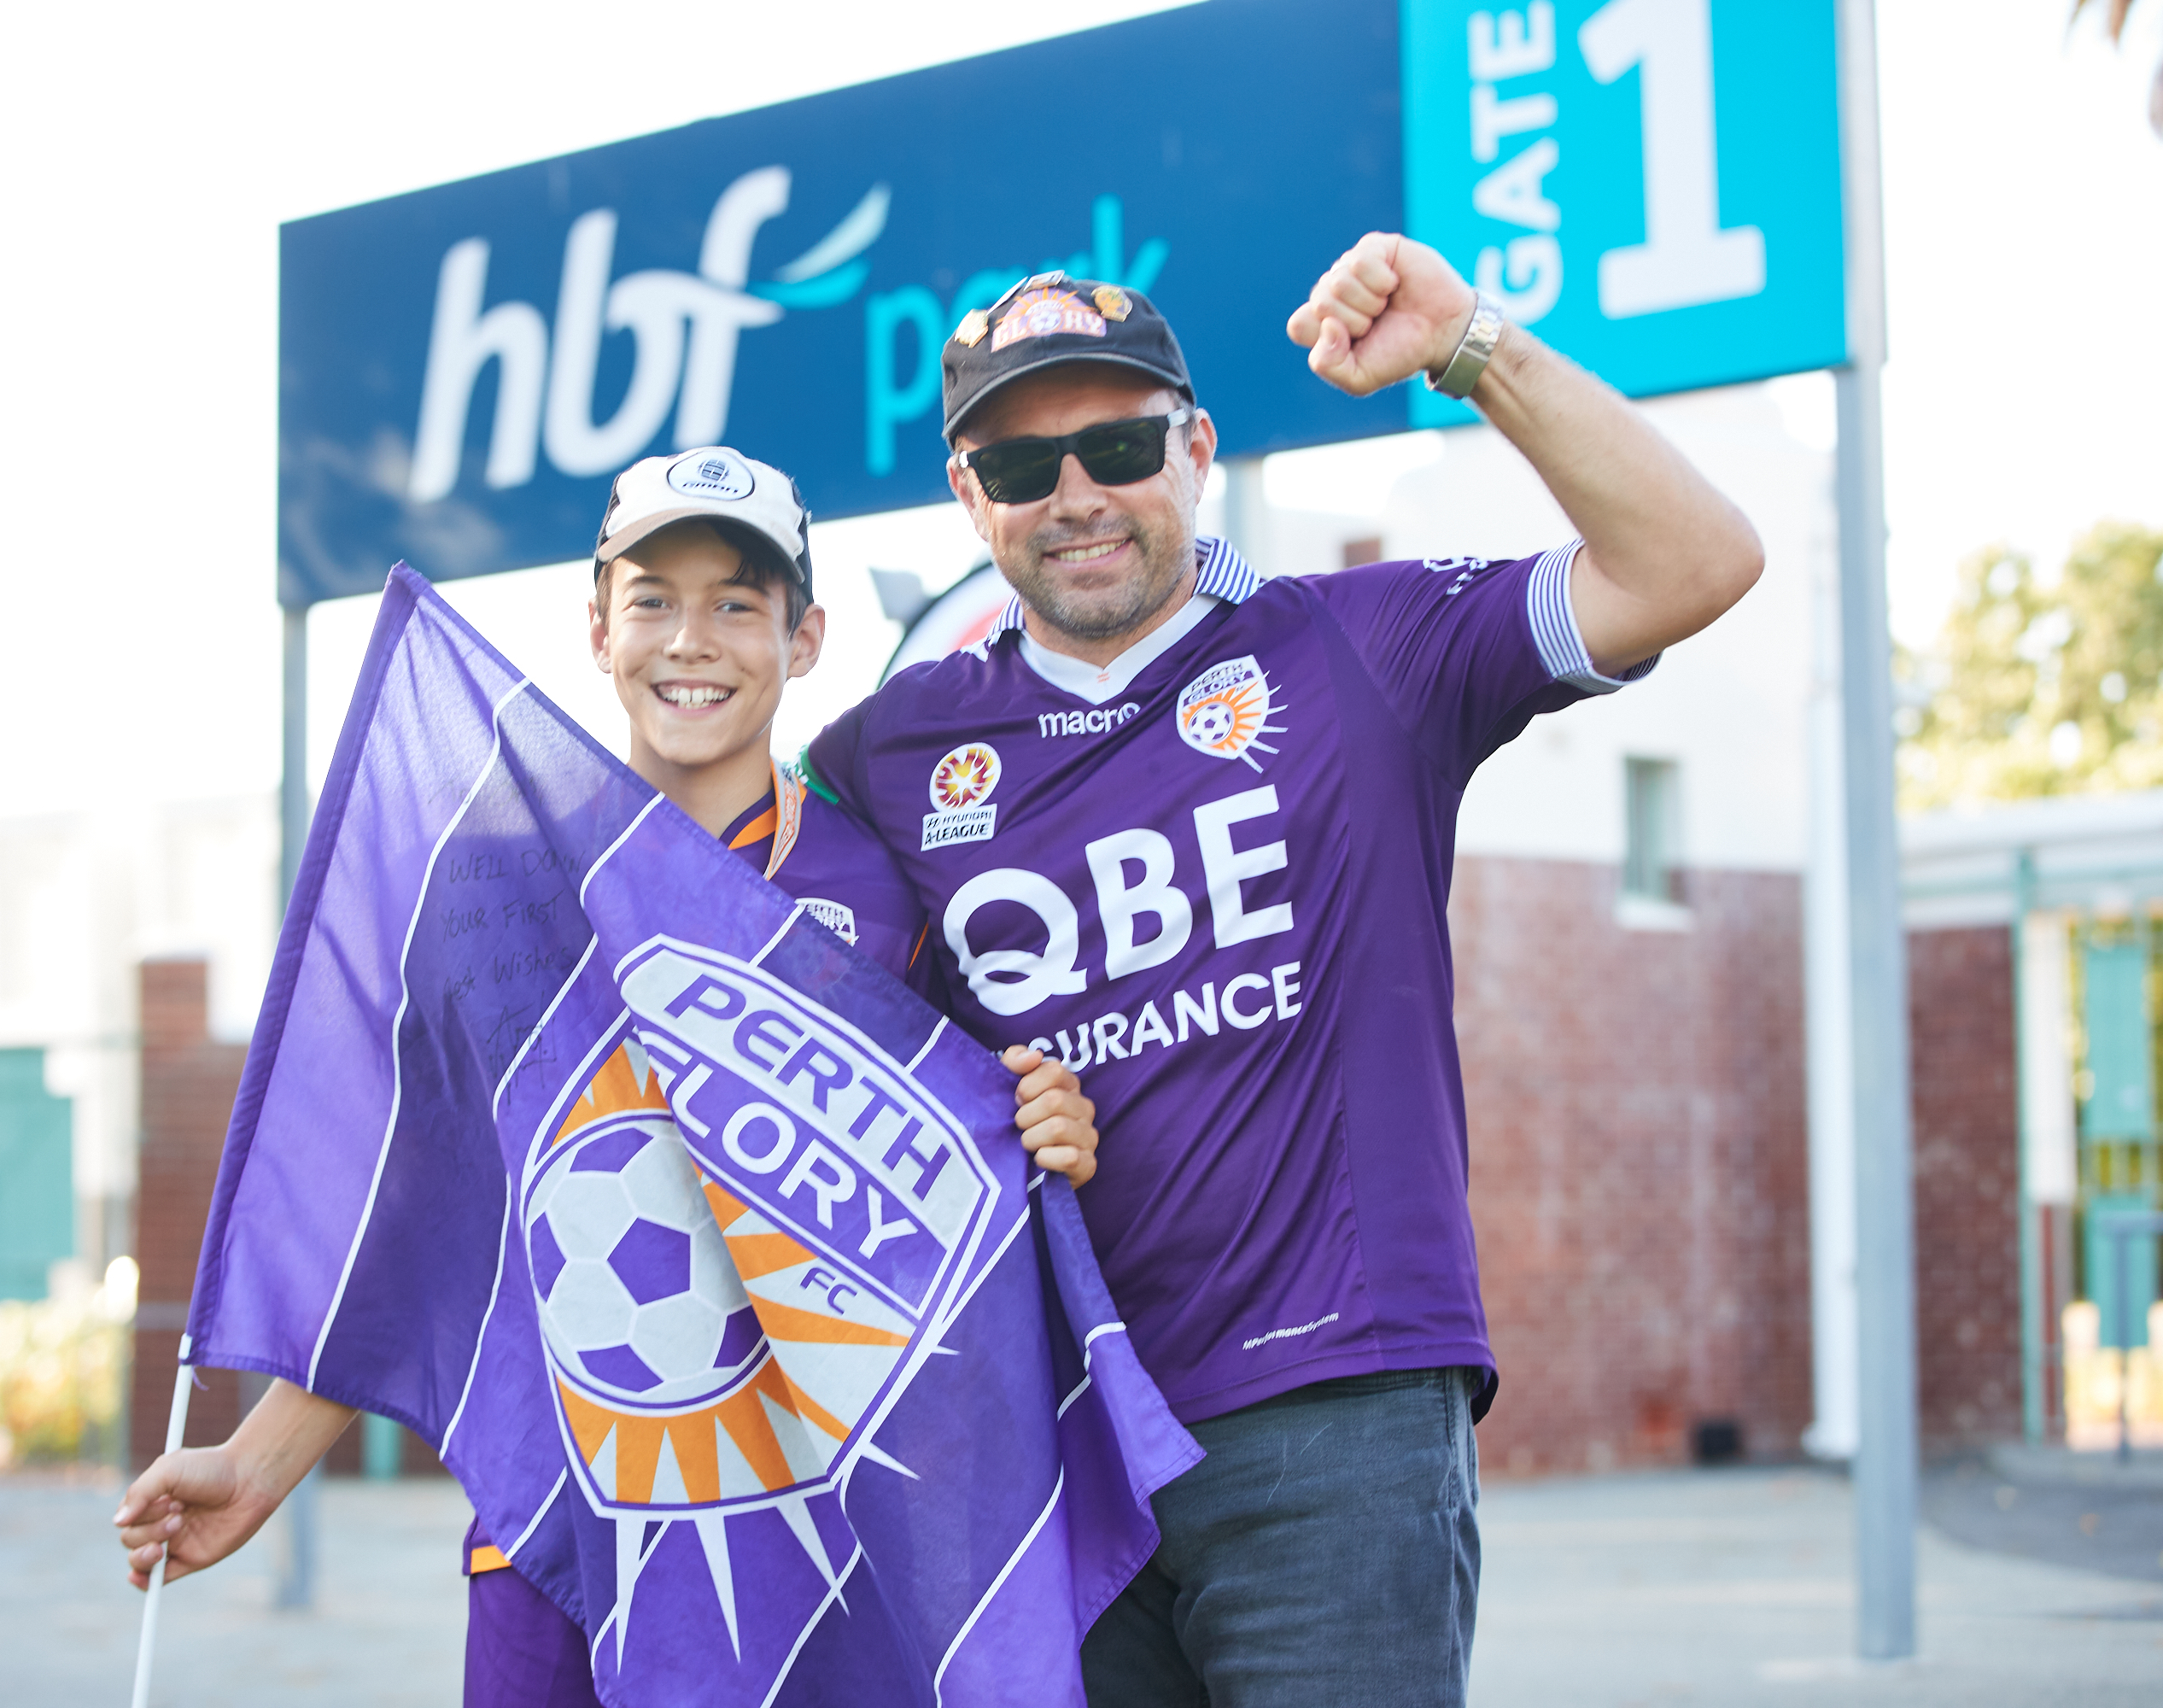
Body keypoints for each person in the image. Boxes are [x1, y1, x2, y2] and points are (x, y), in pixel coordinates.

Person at [798, 236, 1763, 1705]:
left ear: (1193, 448)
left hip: (1336, 1420)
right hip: (1055, 1442)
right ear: (966, 498)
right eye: (1019, 467)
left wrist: (1472, 347)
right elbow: (752, 961)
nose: (1075, 498)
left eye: (1118, 445)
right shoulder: (885, 751)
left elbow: (1698, 563)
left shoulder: (1362, 648)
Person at [114, 447, 1102, 1705]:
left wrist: (1045, 1123)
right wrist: (254, 1466)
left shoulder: (882, 886)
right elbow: (426, 1220)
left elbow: (965, 1178)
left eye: (738, 603)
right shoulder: (497, 886)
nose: (693, 640)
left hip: (814, 1527)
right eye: (654, 600)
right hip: (562, 1518)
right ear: (597, 630)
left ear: (804, 641)